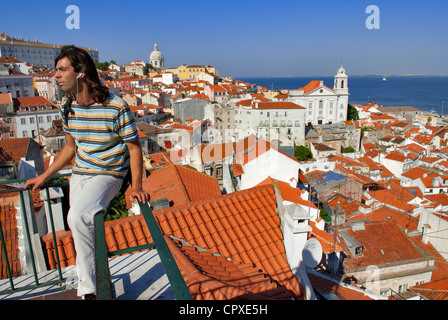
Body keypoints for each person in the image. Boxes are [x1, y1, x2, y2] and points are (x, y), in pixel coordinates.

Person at [25, 45, 150, 300]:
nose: (56, 76)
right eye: (56, 70)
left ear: (80, 72)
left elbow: (134, 149)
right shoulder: (67, 106)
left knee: (79, 217)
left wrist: (135, 186)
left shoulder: (115, 106)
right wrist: (44, 176)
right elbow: (70, 148)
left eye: (62, 70)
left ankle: (89, 291)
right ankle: (94, 280)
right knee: (77, 220)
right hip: (80, 173)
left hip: (109, 173)